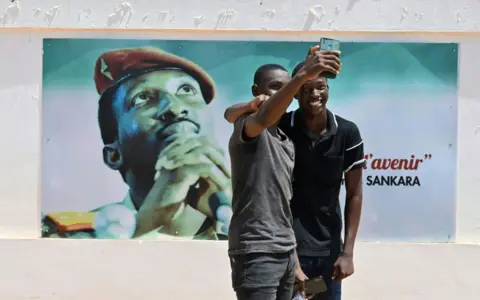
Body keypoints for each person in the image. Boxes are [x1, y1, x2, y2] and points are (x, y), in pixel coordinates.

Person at [42, 47, 232, 240]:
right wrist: (145, 226)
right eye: (142, 98)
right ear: (114, 155)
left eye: (186, 90)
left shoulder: (248, 224)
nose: (175, 107)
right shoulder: (73, 238)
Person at [225, 57, 364, 300]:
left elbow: (353, 193)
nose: (314, 94)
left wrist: (346, 253)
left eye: (320, 87)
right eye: (304, 88)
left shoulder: (286, 139)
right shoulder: (257, 128)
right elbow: (240, 115)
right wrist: (251, 105)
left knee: (316, 294)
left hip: (299, 255)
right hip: (261, 254)